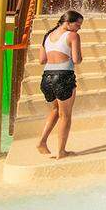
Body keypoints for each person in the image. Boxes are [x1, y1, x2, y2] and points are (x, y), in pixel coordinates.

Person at [36, 10, 83, 159]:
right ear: (67, 23)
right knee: (65, 116)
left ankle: (42, 141)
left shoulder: (47, 36)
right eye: (78, 24)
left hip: (46, 78)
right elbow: (76, 60)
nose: (79, 28)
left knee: (56, 111)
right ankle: (61, 152)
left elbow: (42, 60)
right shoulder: (73, 36)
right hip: (63, 77)